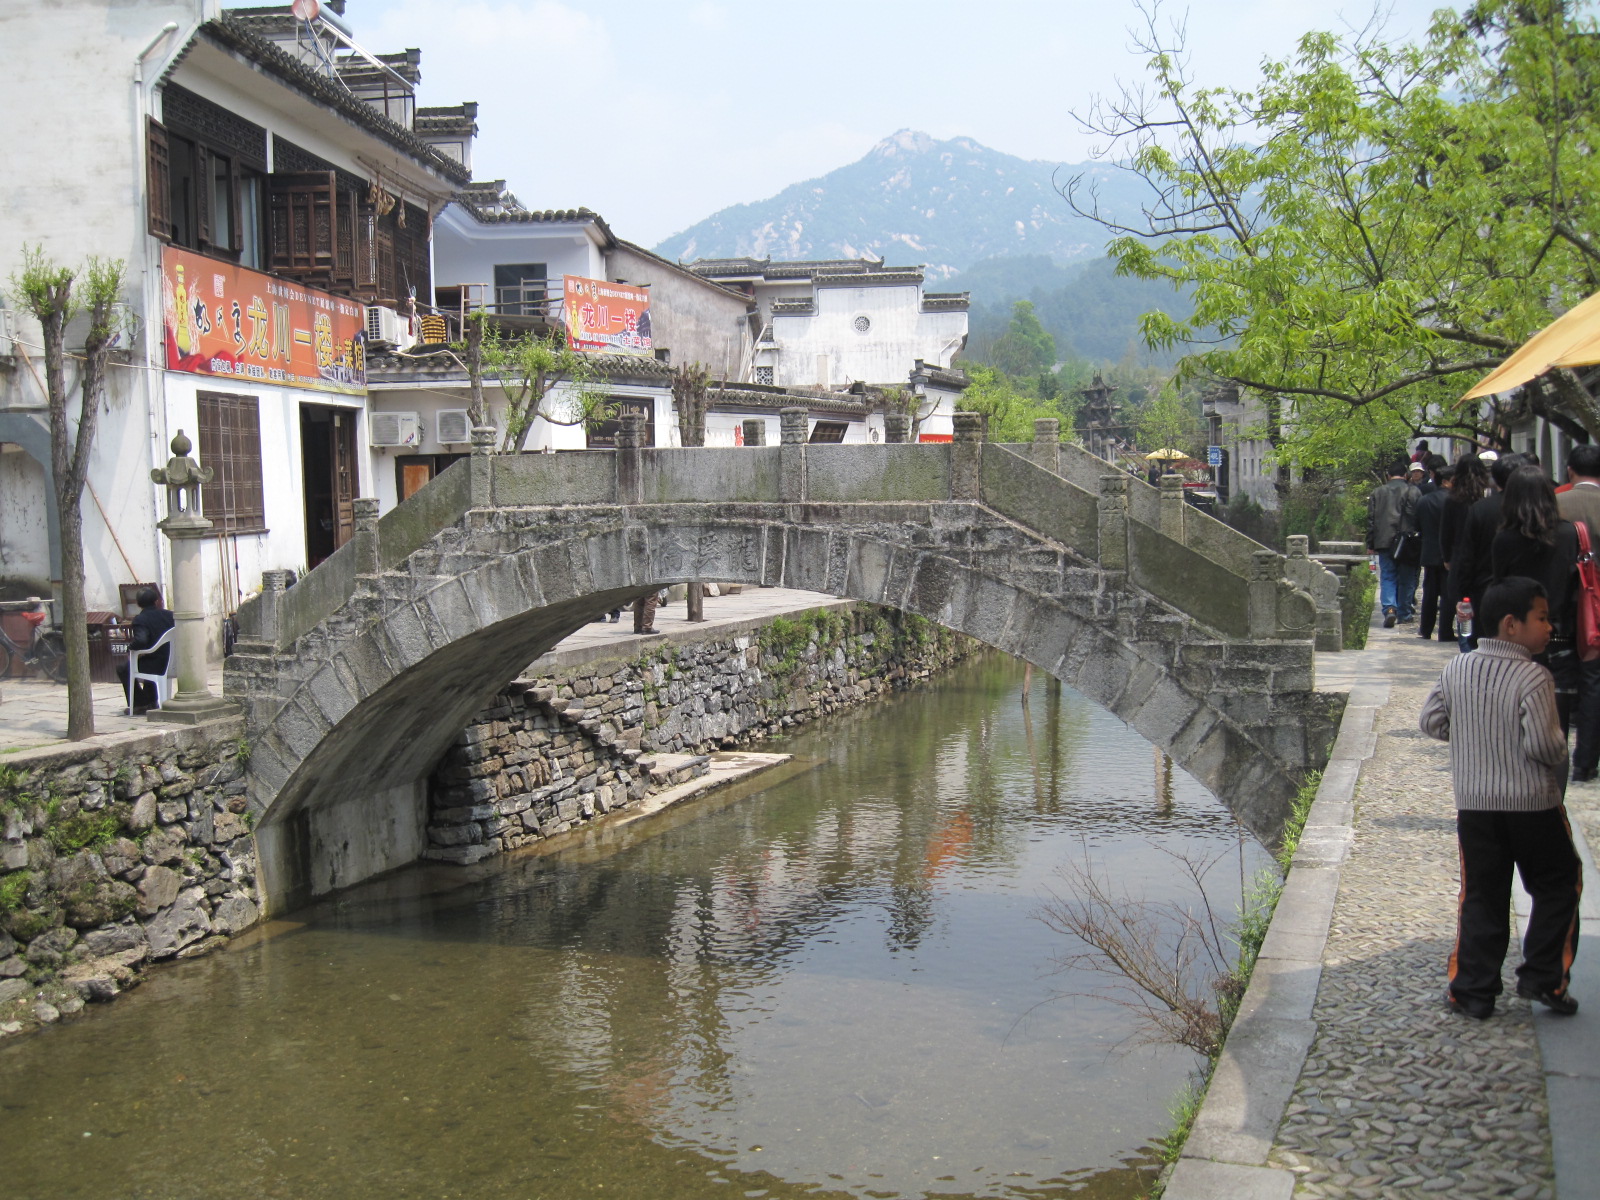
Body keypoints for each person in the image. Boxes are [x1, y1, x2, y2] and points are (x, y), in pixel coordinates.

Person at [1420, 576, 1582, 1020]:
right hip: (1533, 806)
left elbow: (1431, 721)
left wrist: (1473, 737)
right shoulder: (1534, 676)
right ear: (1512, 624)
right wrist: (1555, 747)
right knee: (1559, 883)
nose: (1549, 627)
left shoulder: (1457, 668)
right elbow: (1545, 747)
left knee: (1482, 894)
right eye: (1542, 618)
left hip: (1475, 807)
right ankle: (1544, 977)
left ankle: (1472, 992)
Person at [1492, 464, 1580, 731]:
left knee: (1517, 714)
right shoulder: (1569, 533)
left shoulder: (1505, 539)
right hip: (1561, 630)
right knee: (1556, 719)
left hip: (1516, 634)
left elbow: (1500, 586)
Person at [1558, 443, 1600, 781]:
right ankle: (1586, 760)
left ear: (1570, 470)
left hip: (1559, 604)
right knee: (1594, 680)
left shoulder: (1556, 502)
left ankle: (1552, 753)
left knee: (1556, 680)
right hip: (1596, 608)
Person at [1367, 459, 1421, 627]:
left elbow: (1371, 520)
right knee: (1407, 578)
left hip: (1384, 540)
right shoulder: (1414, 491)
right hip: (1408, 541)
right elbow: (1419, 517)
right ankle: (1404, 613)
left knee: (1388, 576)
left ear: (1388, 475)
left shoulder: (1377, 492)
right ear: (1406, 475)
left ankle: (1390, 608)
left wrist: (1370, 543)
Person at [116, 586, 174, 711]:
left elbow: (141, 640)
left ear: (138, 604)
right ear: (156, 601)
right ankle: (151, 701)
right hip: (173, 663)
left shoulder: (141, 619)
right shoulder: (170, 615)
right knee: (148, 659)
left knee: (123, 668)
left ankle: (139, 704)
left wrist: (130, 648)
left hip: (156, 664)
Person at [1417, 463, 1455, 640]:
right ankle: (1445, 631)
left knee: (1430, 593)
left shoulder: (1424, 500)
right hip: (1450, 553)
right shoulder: (1455, 501)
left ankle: (1425, 629)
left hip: (1429, 552)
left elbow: (1417, 525)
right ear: (1446, 481)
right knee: (1448, 594)